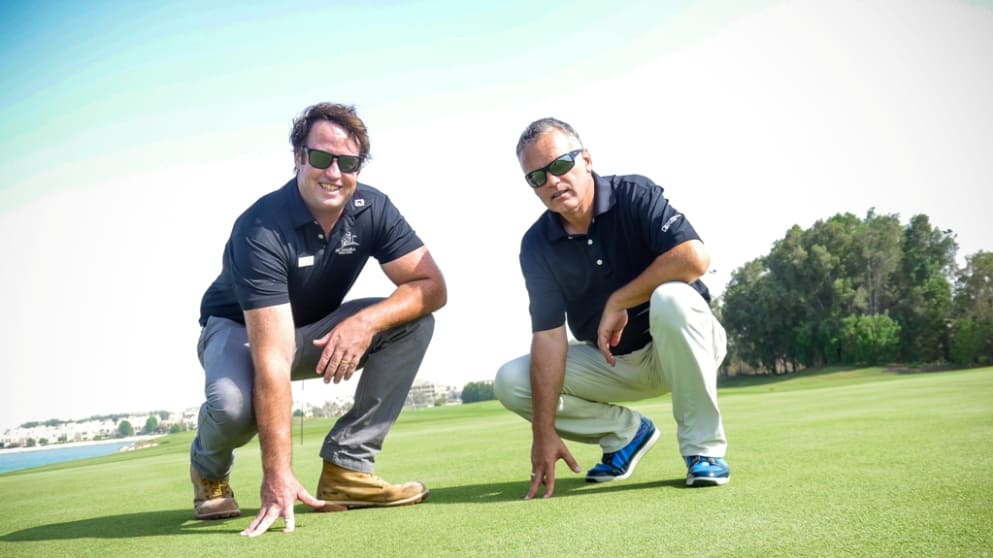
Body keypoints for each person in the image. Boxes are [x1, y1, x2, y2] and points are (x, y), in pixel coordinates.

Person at [190, 102, 447, 537]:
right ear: (299, 157)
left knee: (412, 321)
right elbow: (273, 360)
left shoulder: (373, 208)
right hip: (238, 331)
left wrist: (364, 323)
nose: (334, 173)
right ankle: (208, 472)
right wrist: (278, 476)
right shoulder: (260, 229)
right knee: (235, 410)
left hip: (312, 329)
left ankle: (348, 467)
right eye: (322, 158)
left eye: (348, 162)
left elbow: (431, 286)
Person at [494, 117, 730, 500]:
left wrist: (620, 300)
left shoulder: (633, 194)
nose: (551, 182)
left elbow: (694, 257)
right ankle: (624, 433)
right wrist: (543, 431)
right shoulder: (537, 244)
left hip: (687, 347)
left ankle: (703, 450)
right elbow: (550, 338)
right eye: (536, 177)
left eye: (559, 165)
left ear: (585, 159)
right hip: (614, 364)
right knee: (511, 381)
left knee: (671, 298)